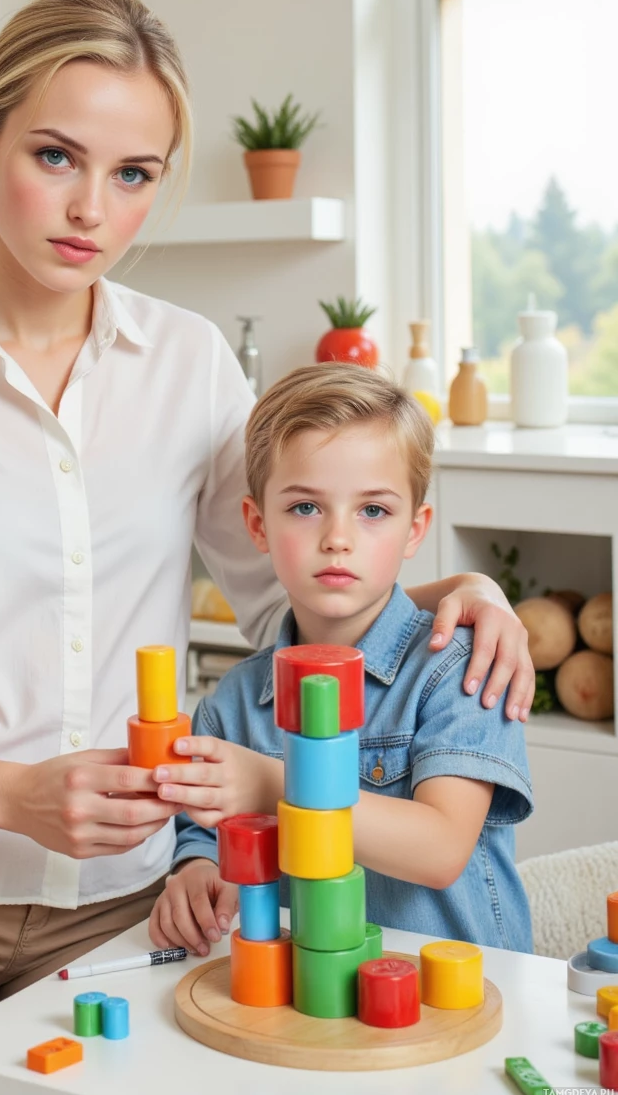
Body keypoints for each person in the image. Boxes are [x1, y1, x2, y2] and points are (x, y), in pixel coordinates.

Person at [0, 0, 534, 1095]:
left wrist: (461, 590)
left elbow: (289, 601)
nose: (90, 212)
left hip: (142, 880)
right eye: (55, 157)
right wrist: (5, 797)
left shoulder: (188, 363)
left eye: (133, 176)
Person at [149, 363, 534, 960]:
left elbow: (439, 850)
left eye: (373, 511)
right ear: (258, 524)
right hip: (304, 1005)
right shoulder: (230, 707)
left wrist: (267, 782)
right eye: (305, 508)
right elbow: (203, 833)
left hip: (455, 1001)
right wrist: (196, 874)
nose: (337, 537)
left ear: (415, 530)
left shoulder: (459, 669)